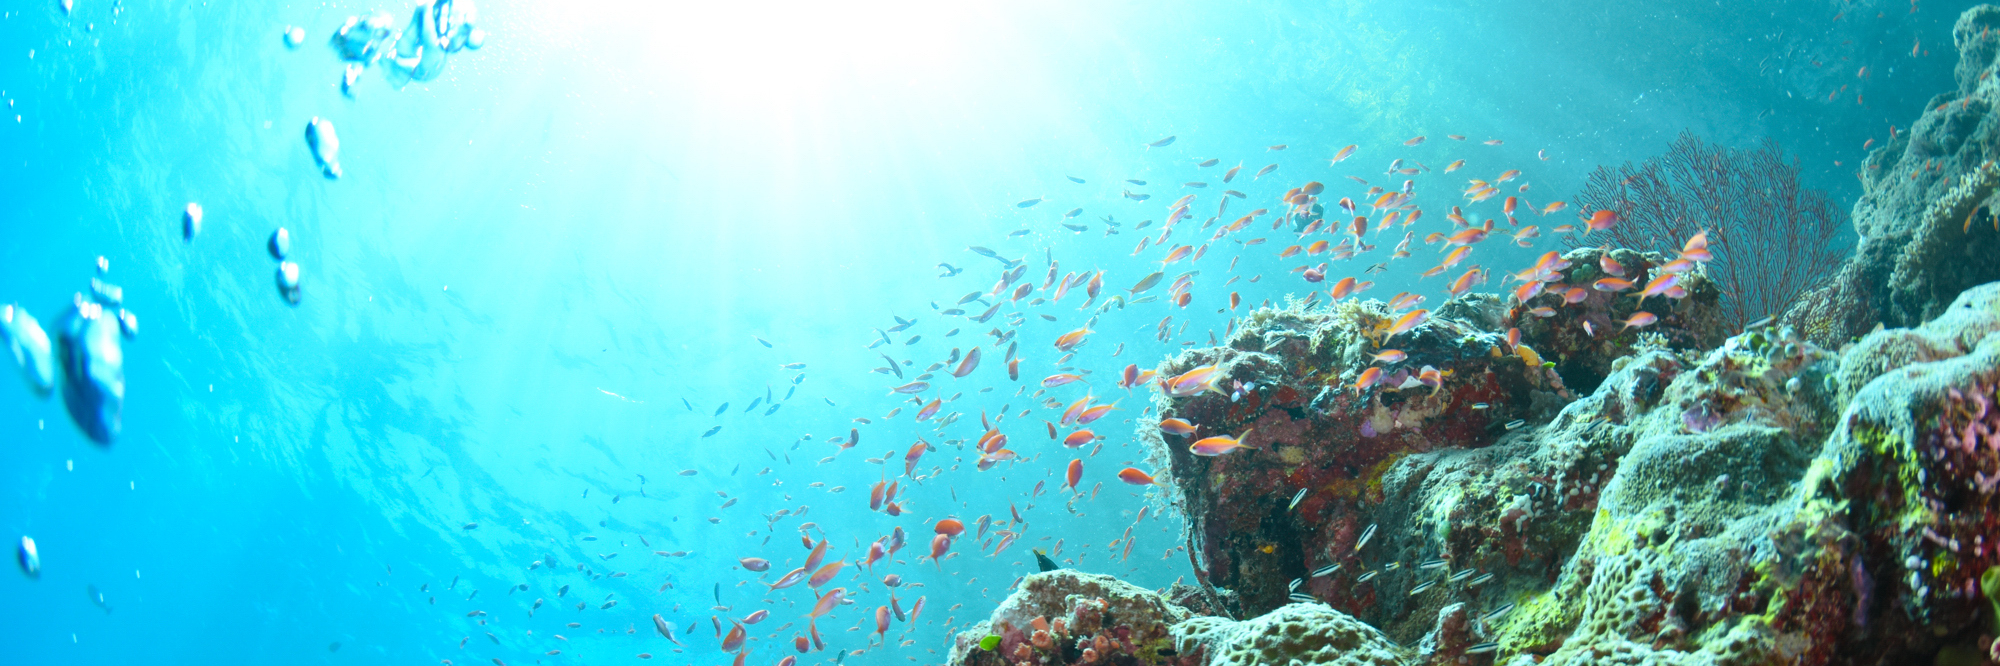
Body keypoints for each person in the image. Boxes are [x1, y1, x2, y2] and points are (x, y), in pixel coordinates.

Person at [383, 0, 483, 89]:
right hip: (414, 63)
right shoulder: (447, 35)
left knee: (423, 17)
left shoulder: (438, 48)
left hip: (420, 65)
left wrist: (426, 6)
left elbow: (427, 26)